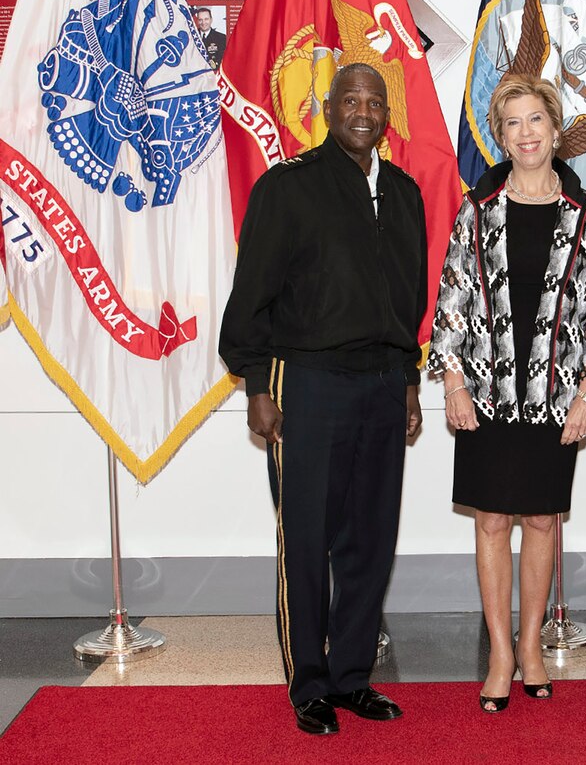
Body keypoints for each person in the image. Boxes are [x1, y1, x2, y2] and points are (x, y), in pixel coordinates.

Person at [219, 63, 426, 735]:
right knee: (306, 540)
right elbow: (251, 294)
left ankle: (353, 677)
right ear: (328, 108)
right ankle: (308, 682)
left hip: (382, 386)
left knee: (370, 538)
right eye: (350, 100)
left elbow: (410, 302)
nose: (362, 111)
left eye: (374, 101)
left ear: (386, 112)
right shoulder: (289, 188)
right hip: (304, 384)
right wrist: (257, 383)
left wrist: (410, 381)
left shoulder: (404, 192)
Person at [428, 74, 586, 714]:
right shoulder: (476, 208)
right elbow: (452, 300)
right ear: (501, 135)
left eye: (536, 119)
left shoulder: (584, 211)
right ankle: (500, 654)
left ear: (555, 126)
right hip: (485, 394)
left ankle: (534, 647)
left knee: (542, 519)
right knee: (491, 521)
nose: (526, 133)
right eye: (512, 123)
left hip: (555, 394)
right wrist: (454, 382)